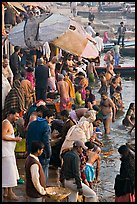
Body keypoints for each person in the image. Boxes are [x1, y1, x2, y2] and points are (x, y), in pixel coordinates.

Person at [26, 109, 54, 185]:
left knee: (32, 171)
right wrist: (49, 153)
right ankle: (42, 187)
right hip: (42, 153)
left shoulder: (32, 124)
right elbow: (46, 142)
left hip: (31, 151)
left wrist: (27, 150)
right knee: (43, 173)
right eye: (51, 118)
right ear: (47, 117)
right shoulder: (46, 127)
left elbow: (27, 138)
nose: (51, 120)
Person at [2, 108, 22, 200]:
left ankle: (6, 192)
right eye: (16, 116)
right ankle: (10, 192)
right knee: (10, 173)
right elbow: (3, 136)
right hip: (6, 153)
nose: (17, 118)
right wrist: (15, 139)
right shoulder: (6, 123)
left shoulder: (8, 123)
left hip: (8, 152)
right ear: (11, 114)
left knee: (7, 172)